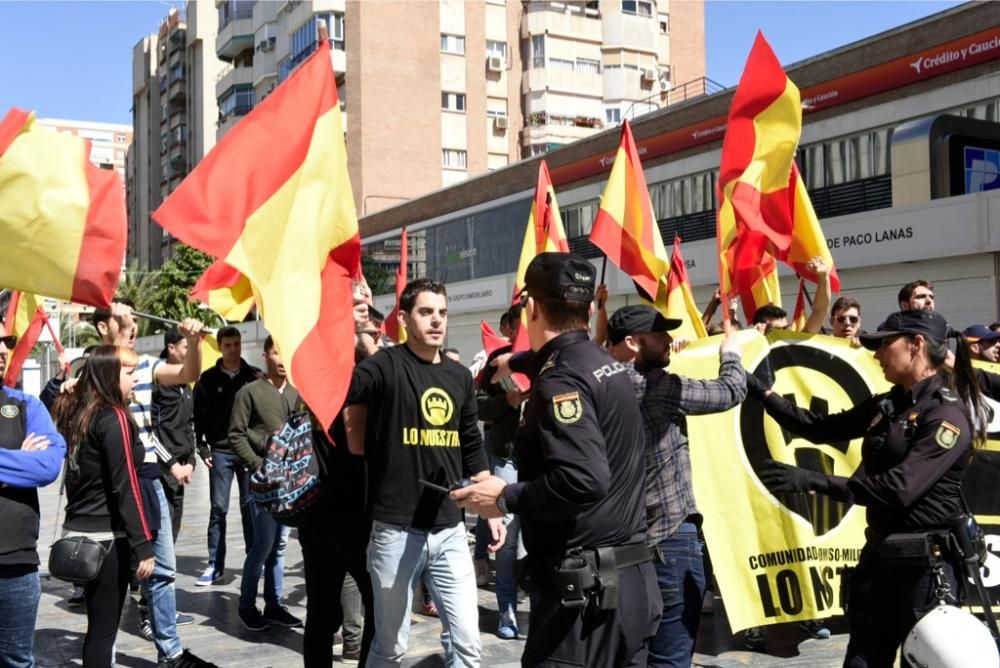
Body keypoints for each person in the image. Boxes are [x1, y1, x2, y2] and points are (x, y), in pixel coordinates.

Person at [452, 253, 661, 667]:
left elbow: (584, 479)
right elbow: (563, 353)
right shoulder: (604, 362)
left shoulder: (560, 381)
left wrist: (505, 496)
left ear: (530, 306)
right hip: (631, 585)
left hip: (586, 606)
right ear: (587, 308)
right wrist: (514, 359)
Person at [748, 309, 986, 667]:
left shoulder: (945, 415)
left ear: (916, 345)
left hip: (925, 573)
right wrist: (764, 393)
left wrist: (811, 481)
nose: (876, 353)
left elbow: (899, 489)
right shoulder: (890, 404)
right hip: (879, 562)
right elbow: (820, 428)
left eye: (885, 343)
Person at [343, 277, 504, 667]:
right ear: (404, 317)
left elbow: (471, 444)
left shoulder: (459, 376)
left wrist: (493, 506)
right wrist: (346, 330)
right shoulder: (384, 366)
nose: (437, 321)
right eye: (426, 312)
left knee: (468, 644)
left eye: (443, 313)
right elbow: (342, 388)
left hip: (450, 529)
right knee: (390, 647)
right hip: (395, 532)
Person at [605, 305, 746, 668]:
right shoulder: (658, 388)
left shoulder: (599, 386)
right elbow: (730, 391)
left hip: (623, 544)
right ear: (633, 342)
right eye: (659, 335)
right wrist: (730, 354)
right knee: (671, 656)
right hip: (671, 537)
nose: (668, 340)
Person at [91, 301, 216, 668]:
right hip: (109, 478)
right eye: (122, 317)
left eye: (133, 316)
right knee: (111, 574)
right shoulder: (96, 366)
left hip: (146, 476)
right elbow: (107, 369)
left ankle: (170, 651)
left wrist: (193, 342)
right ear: (104, 327)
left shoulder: (145, 365)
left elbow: (187, 373)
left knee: (162, 568)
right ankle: (104, 654)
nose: (132, 322)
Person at [54, 346, 154, 666]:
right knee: (104, 632)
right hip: (107, 540)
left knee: (96, 630)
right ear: (111, 375)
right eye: (129, 372)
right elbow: (126, 488)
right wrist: (144, 545)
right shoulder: (114, 417)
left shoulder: (78, 412)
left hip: (77, 534)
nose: (136, 377)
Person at [0, 325, 66, 667]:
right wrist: (17, 464)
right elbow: (29, 466)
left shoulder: (26, 405)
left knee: (16, 661)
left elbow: (48, 465)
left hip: (16, 564)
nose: (1, 349)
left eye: (6, 341)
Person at [230, 336, 304, 631]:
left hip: (289, 483)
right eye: (277, 352)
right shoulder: (249, 392)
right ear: (265, 356)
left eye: (286, 352)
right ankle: (247, 606)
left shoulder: (298, 393)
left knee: (280, 547)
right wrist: (258, 464)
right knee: (262, 545)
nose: (282, 359)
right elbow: (236, 434)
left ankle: (274, 604)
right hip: (261, 482)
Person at [475, 302, 529, 639]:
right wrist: (505, 403)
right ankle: (506, 611)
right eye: (517, 323)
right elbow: (477, 406)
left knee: (536, 539)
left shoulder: (551, 358)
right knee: (506, 538)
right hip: (508, 460)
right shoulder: (499, 363)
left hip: (543, 463)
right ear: (508, 327)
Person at [193, 325, 260, 586]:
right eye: (228, 345)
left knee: (249, 507)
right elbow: (197, 416)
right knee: (218, 508)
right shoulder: (207, 380)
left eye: (237, 344)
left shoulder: (253, 377)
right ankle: (214, 565)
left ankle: (255, 560)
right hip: (219, 452)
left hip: (247, 452)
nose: (233, 349)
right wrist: (202, 448)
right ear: (220, 347)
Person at [154, 328, 197, 541]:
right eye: (186, 347)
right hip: (162, 470)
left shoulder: (187, 386)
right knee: (161, 532)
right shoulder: (158, 385)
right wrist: (171, 464)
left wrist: (191, 461)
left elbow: (189, 425)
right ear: (171, 348)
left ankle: (166, 573)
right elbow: (150, 431)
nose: (190, 352)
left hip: (181, 470)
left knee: (173, 532)